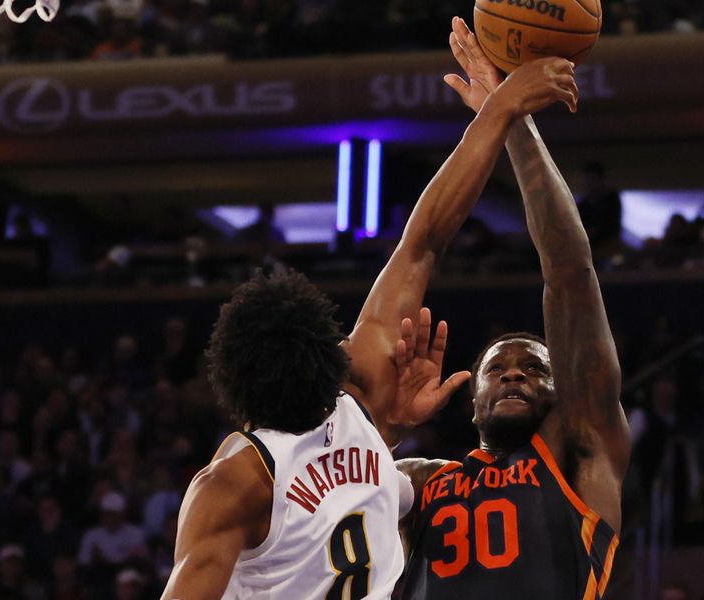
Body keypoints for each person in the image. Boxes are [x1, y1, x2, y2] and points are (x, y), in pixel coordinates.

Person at [161, 36, 578, 598]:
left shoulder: (232, 483)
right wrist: (501, 110)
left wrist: (388, 438)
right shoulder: (359, 401)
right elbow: (425, 238)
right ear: (329, 357)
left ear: (236, 389)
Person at [397, 18, 630, 599]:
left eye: (534, 368)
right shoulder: (419, 481)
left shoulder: (581, 451)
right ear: (471, 399)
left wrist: (512, 118)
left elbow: (570, 274)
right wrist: (385, 426)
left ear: (564, 390)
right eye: (496, 370)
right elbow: (322, 506)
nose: (514, 374)